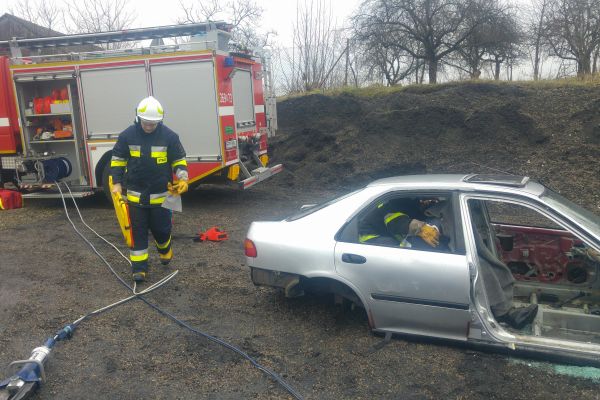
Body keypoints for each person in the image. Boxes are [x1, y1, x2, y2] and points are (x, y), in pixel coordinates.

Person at [110, 96, 189, 282]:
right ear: (138, 118)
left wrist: (183, 178)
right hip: (136, 196)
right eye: (146, 122)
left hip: (163, 196)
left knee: (162, 230)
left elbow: (179, 160)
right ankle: (139, 269)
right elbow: (118, 161)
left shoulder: (170, 136)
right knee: (137, 233)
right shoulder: (127, 136)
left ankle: (165, 248)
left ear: (160, 121)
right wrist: (116, 183)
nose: (149, 126)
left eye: (153, 123)